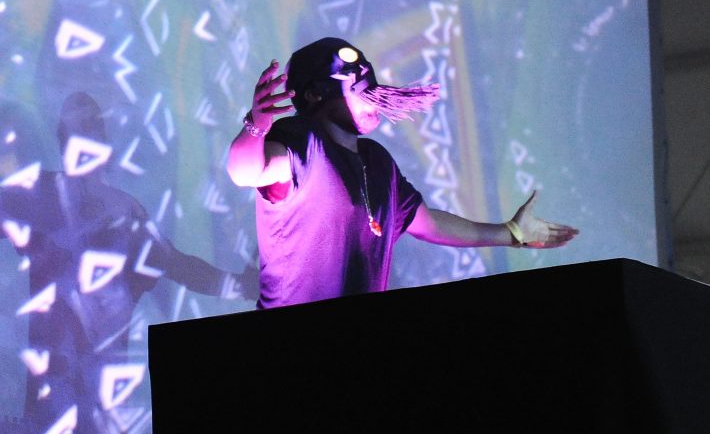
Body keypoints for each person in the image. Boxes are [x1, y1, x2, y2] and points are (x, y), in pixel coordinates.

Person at [227, 37, 578, 309]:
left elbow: (429, 224)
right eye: (356, 85)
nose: (370, 88)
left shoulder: (378, 161)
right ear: (316, 95)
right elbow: (246, 172)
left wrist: (511, 233)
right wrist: (256, 127)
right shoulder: (302, 142)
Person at [0, 92, 258, 433]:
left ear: (105, 140)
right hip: (51, 403)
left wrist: (245, 286)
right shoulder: (37, 195)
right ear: (61, 140)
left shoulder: (125, 213)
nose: (83, 137)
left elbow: (182, 268)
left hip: (105, 403)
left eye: (90, 126)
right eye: (74, 129)